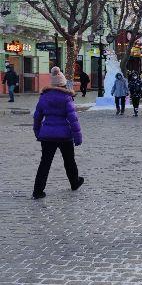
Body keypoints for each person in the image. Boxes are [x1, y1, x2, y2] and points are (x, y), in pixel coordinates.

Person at [32, 66, 83, 199]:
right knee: (69, 160)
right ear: (63, 83)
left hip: (47, 135)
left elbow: (37, 117)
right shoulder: (67, 98)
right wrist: (78, 137)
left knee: (45, 163)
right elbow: (73, 119)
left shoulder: (44, 97)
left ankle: (38, 191)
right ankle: (74, 182)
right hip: (64, 135)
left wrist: (38, 132)